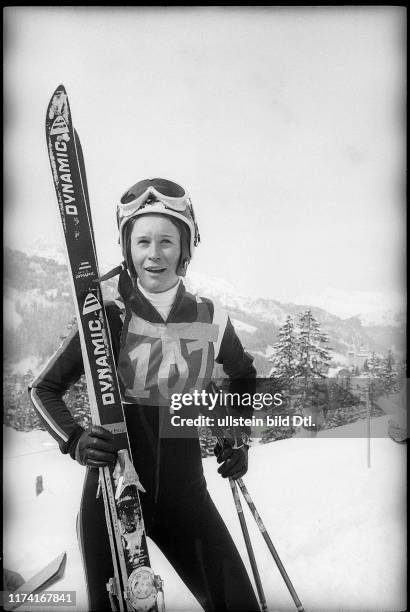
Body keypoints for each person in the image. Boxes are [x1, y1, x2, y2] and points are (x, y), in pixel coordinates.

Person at [29, 178, 260, 612]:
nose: (154, 253)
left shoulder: (211, 316)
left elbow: (244, 375)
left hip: (187, 498)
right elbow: (42, 388)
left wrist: (236, 433)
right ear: (128, 249)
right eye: (143, 241)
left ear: (186, 248)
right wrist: (75, 440)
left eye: (167, 241)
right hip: (113, 502)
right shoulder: (107, 316)